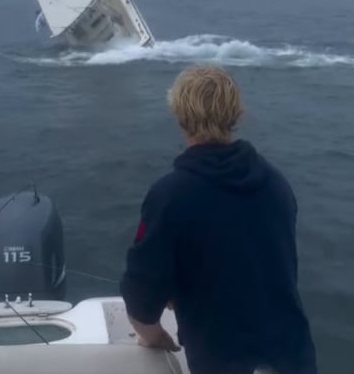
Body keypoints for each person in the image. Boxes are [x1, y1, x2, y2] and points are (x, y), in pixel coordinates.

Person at [119, 64, 317, 374]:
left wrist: (154, 337)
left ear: (180, 116)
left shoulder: (170, 195)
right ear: (236, 114)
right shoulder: (277, 184)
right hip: (292, 358)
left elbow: (141, 296)